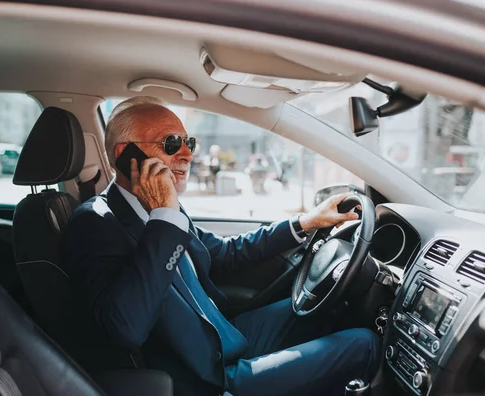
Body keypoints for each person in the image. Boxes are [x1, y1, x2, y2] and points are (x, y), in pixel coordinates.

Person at [62, 96, 380, 396]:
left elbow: (223, 253)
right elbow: (125, 327)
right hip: (205, 376)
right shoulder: (95, 222)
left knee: (332, 307)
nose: (187, 154)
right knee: (364, 344)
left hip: (224, 334)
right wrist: (164, 218)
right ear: (125, 155)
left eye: (190, 143)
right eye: (171, 144)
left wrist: (305, 222)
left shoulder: (164, 207)